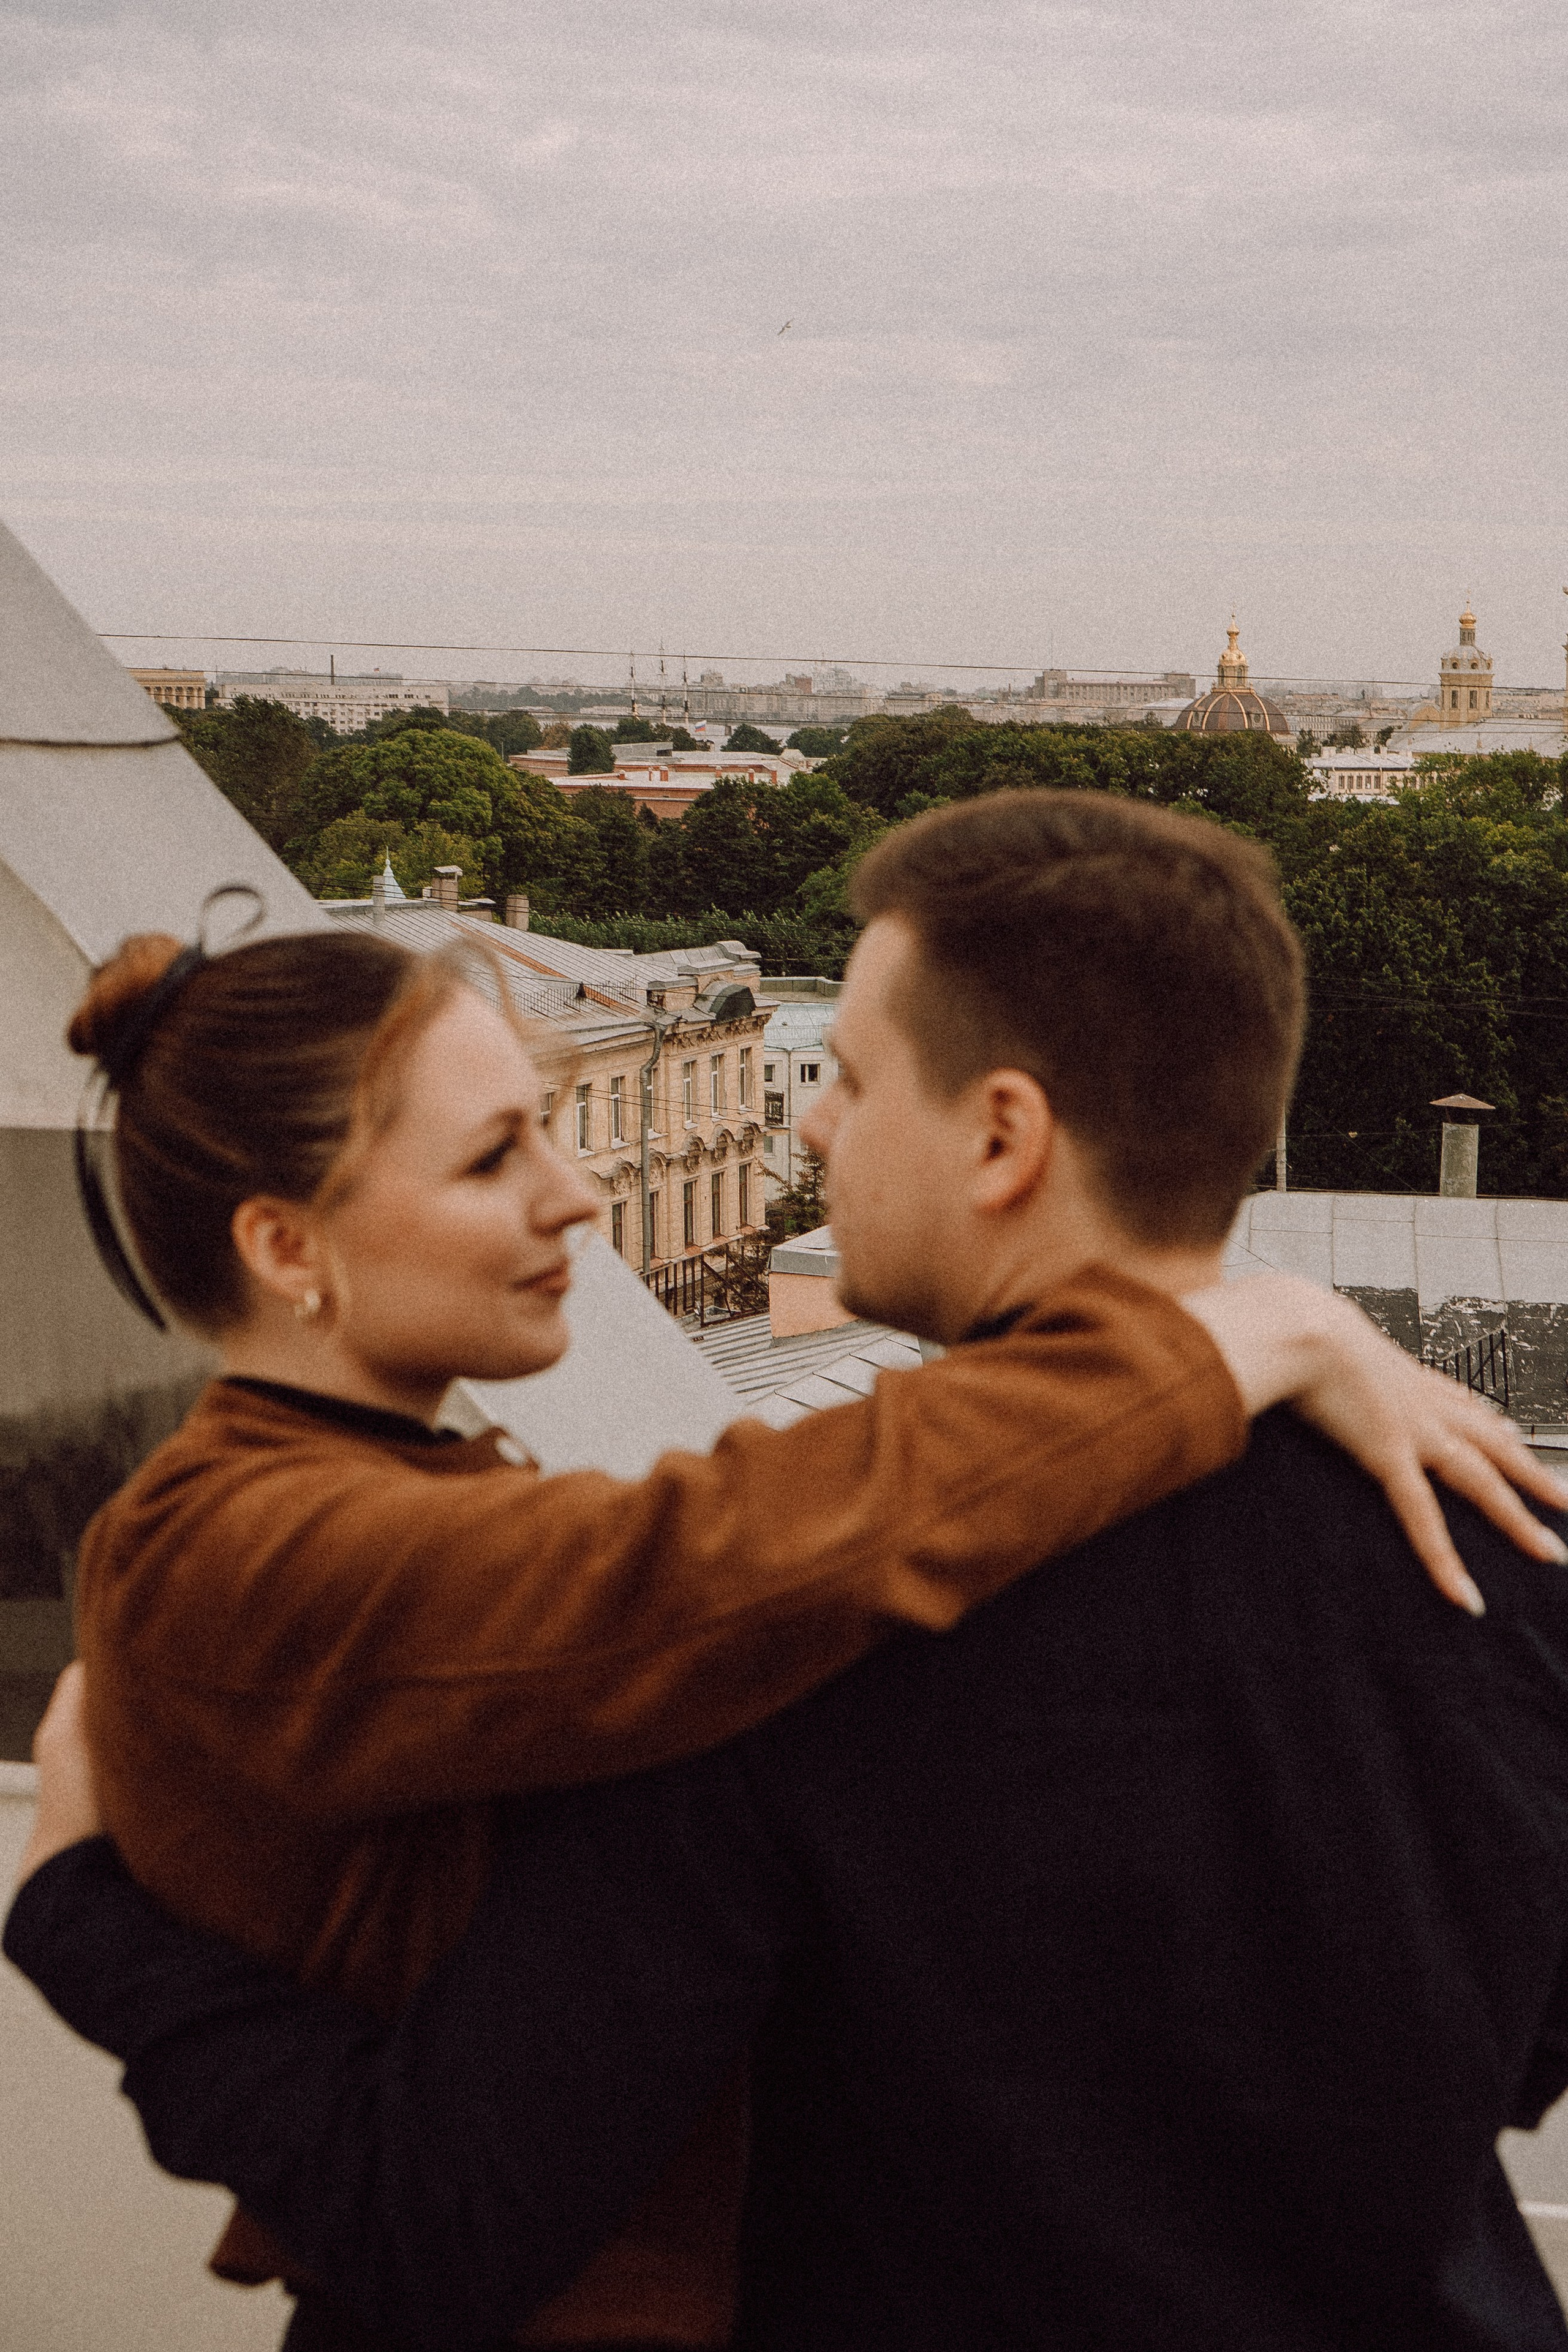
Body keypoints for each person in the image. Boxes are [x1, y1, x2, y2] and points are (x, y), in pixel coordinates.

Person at [11, 790, 1568, 2352]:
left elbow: (448, 2207)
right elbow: (1507, 2056)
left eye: (843, 1077)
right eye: (500, 1153)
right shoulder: (1509, 1559)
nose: (805, 1125)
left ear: (1001, 1135)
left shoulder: (764, 1660)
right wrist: (1257, 1320)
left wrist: (85, 1918)